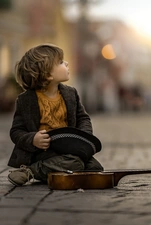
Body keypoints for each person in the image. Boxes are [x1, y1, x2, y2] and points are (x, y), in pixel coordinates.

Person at [7, 43, 104, 186]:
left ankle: (53, 172)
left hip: (69, 148)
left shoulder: (71, 93)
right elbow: (16, 131)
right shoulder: (26, 100)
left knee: (95, 168)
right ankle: (30, 171)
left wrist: (83, 137)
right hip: (43, 151)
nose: (66, 63)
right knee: (75, 163)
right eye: (60, 62)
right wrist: (33, 139)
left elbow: (83, 118)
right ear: (47, 74)